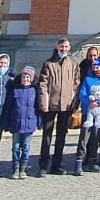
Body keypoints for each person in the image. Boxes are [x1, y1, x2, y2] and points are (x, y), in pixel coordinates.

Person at [37, 38, 80, 175]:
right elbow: (43, 85)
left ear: (69, 47)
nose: (64, 49)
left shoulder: (73, 63)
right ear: (57, 47)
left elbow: (76, 84)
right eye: (62, 46)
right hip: (50, 105)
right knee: (47, 135)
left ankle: (57, 164)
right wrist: (44, 103)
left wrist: (74, 103)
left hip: (66, 105)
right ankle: (43, 164)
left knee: (61, 136)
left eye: (66, 46)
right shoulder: (49, 63)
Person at [2, 66, 39, 179]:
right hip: (16, 123)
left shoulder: (34, 91)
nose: (26, 79)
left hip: (29, 123)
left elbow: (37, 107)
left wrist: (39, 122)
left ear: (31, 78)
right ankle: (15, 167)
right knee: (16, 147)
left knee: (26, 147)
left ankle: (23, 168)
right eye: (24, 77)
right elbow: (8, 107)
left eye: (28, 77)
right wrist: (6, 121)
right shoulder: (15, 90)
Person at [74, 58, 100, 175]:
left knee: (95, 138)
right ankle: (78, 162)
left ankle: (92, 161)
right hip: (88, 112)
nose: (96, 70)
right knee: (84, 138)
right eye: (94, 68)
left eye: (98, 68)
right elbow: (82, 94)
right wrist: (89, 103)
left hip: (99, 114)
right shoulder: (88, 79)